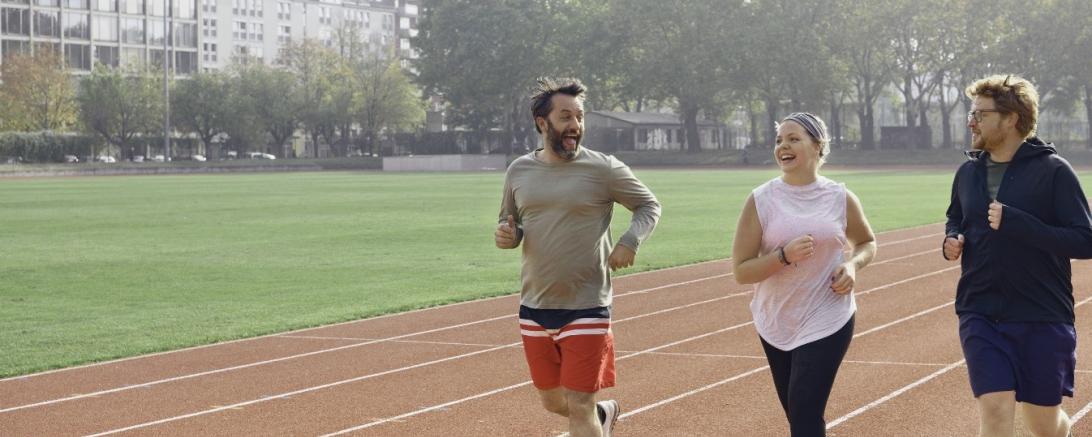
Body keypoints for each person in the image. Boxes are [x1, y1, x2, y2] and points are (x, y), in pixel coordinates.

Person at [495, 77, 661, 437]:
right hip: (535, 305)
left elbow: (649, 206)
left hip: (587, 305)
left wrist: (630, 241)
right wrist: (507, 235)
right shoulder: (519, 170)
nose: (575, 125)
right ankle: (604, 415)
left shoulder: (604, 169)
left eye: (580, 117)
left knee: (580, 403)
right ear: (543, 123)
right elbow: (510, 224)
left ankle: (592, 415)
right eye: (566, 117)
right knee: (554, 402)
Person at [943, 74, 1092, 437]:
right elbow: (956, 216)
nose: (971, 122)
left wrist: (1021, 224)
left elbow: (1085, 240)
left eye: (980, 114)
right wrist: (951, 238)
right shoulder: (968, 172)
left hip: (1041, 312)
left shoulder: (1054, 171)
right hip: (980, 311)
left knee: (1043, 425)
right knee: (995, 411)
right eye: (971, 113)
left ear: (1011, 118)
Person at [732, 112, 877, 436]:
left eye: (793, 139)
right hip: (776, 318)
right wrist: (783, 256)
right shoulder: (761, 200)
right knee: (798, 414)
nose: (783, 146)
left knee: (804, 410)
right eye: (779, 140)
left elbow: (867, 242)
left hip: (828, 315)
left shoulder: (840, 197)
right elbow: (741, 271)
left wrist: (852, 265)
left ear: (817, 146)